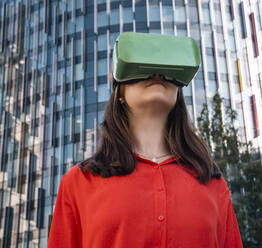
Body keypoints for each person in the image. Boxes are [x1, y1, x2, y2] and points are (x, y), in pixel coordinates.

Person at [47, 33, 243, 248]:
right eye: (143, 66)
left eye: (166, 70)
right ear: (118, 92)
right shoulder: (79, 182)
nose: (157, 73)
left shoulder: (213, 183)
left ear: (179, 93)